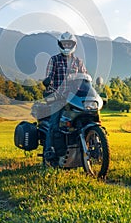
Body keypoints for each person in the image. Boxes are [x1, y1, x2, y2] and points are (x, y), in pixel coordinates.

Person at [44, 31, 87, 164]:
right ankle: (49, 152)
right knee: (54, 124)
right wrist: (49, 87)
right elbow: (49, 77)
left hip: (76, 98)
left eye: (69, 43)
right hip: (59, 98)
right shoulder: (54, 60)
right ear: (60, 44)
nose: (67, 46)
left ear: (74, 44)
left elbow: (85, 78)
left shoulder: (78, 61)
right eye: (64, 43)